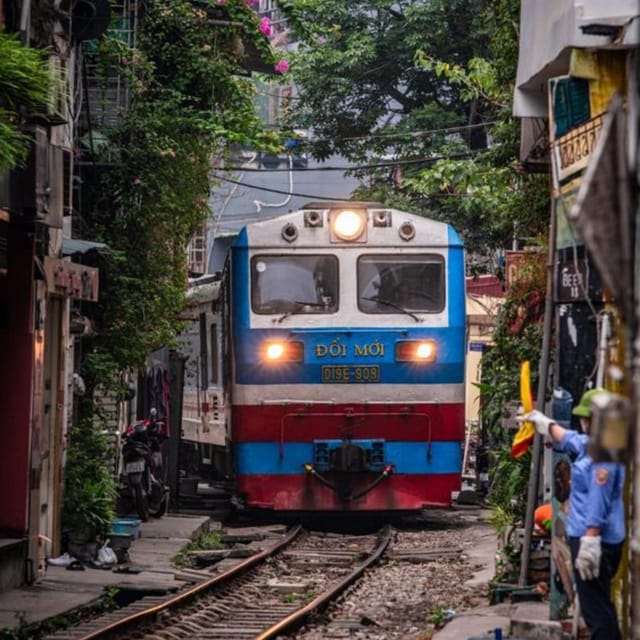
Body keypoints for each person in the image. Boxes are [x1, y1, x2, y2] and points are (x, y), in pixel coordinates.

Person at [524, 388, 625, 640]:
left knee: (597, 612)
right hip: (594, 538)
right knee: (600, 604)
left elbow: (598, 502)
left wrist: (590, 541)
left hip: (595, 540)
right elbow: (569, 439)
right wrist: (545, 423)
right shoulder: (593, 444)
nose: (583, 421)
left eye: (587, 417)